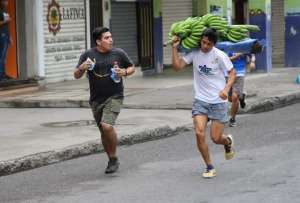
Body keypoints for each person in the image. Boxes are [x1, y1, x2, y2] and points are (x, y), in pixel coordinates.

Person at [171, 28, 236, 178]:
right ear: (201, 40)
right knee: (199, 133)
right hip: (201, 100)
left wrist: (226, 89)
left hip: (219, 101)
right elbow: (177, 67)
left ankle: (227, 142)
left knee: (215, 138)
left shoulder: (220, 55)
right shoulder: (195, 53)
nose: (205, 46)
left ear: (214, 44)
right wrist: (174, 49)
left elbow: (232, 73)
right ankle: (209, 166)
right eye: (204, 42)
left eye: (209, 44)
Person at [74, 27, 135, 174]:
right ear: (98, 41)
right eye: (107, 38)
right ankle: (111, 159)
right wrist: (82, 68)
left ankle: (114, 158)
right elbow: (76, 75)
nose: (111, 40)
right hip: (96, 100)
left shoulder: (118, 53)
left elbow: (132, 67)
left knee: (107, 126)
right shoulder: (88, 55)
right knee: (103, 131)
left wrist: (125, 72)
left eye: (111, 37)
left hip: (115, 96)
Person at [227, 52, 256, 127]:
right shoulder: (227, 44)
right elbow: (224, 59)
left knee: (234, 97)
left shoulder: (244, 44)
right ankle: (241, 96)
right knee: (229, 99)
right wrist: (237, 56)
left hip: (240, 73)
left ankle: (232, 119)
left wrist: (252, 62)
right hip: (228, 74)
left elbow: (252, 54)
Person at [0, 0, 11, 80]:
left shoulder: (5, 11)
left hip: (6, 35)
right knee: (1, 56)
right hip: (2, 35)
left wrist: (10, 36)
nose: (7, 3)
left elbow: (7, 25)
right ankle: (1, 76)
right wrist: (5, 21)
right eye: (5, 1)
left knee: (4, 57)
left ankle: (3, 74)